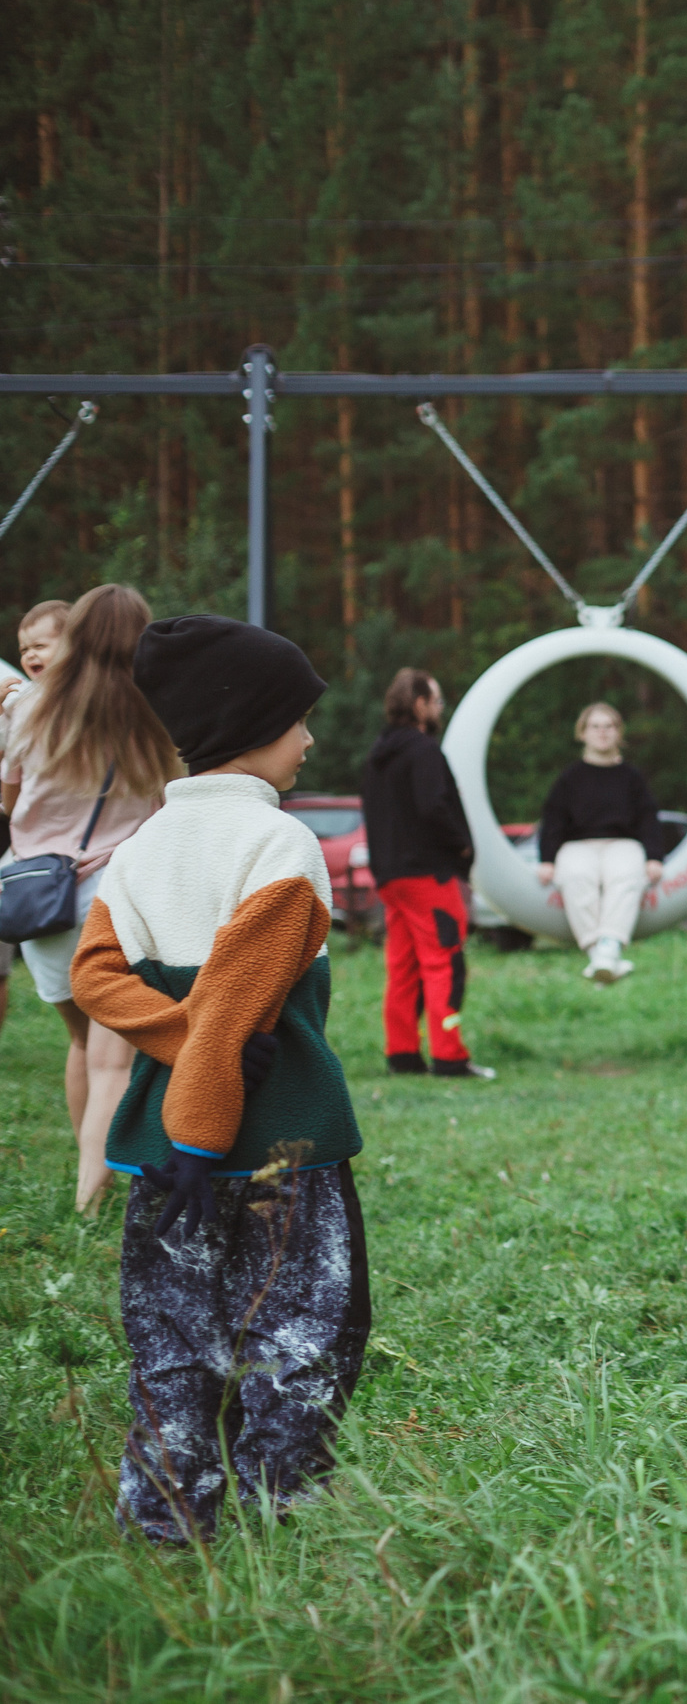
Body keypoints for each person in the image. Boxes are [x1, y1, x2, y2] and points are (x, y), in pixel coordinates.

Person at [71, 615, 369, 1543]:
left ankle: (163, 1523)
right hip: (274, 1149)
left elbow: (94, 977)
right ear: (253, 724)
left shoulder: (140, 851)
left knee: (172, 1344)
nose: (312, 739)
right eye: (300, 720)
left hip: (159, 1158)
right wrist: (205, 1112)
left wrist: (177, 1034)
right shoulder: (278, 850)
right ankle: (283, 1517)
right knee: (304, 1335)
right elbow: (236, 1013)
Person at [3, 586, 181, 1214]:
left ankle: (93, 1196)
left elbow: (8, 801)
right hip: (120, 895)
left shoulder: (29, 709)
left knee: (81, 1044)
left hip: (39, 899)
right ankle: (92, 1193)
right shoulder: (157, 712)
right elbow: (170, 808)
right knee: (115, 1061)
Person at [361, 668, 492, 1079]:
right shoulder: (423, 751)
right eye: (436, 701)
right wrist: (462, 845)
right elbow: (434, 806)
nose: (439, 710)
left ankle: (402, 1053)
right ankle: (450, 1057)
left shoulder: (375, 757)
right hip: (430, 875)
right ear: (419, 704)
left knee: (403, 966)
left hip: (390, 878)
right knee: (444, 963)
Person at [536, 701, 665, 983]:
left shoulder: (632, 777)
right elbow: (553, 819)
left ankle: (608, 945)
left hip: (622, 843)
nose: (602, 732)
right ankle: (600, 955)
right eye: (595, 726)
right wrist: (547, 860)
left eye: (609, 726)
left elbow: (648, 817)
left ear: (619, 733)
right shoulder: (569, 778)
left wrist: (654, 856)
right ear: (582, 733)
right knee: (575, 876)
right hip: (578, 845)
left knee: (627, 875)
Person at [0, 601, 72, 1040]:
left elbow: (9, 796)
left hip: (57, 872)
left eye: (40, 645)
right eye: (24, 648)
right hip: (40, 875)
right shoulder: (21, 704)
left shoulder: (31, 706)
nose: (29, 655)